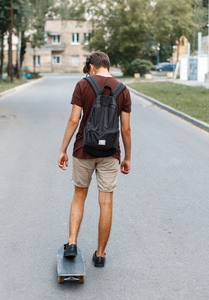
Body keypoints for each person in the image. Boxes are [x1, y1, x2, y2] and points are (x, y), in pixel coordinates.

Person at [58, 51, 132, 268]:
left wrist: (62, 149)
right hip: (110, 153)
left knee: (79, 196)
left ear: (91, 66)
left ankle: (72, 243)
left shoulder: (83, 85)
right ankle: (100, 255)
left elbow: (74, 120)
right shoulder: (123, 90)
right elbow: (125, 128)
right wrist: (127, 157)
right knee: (106, 201)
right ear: (108, 65)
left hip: (84, 149)